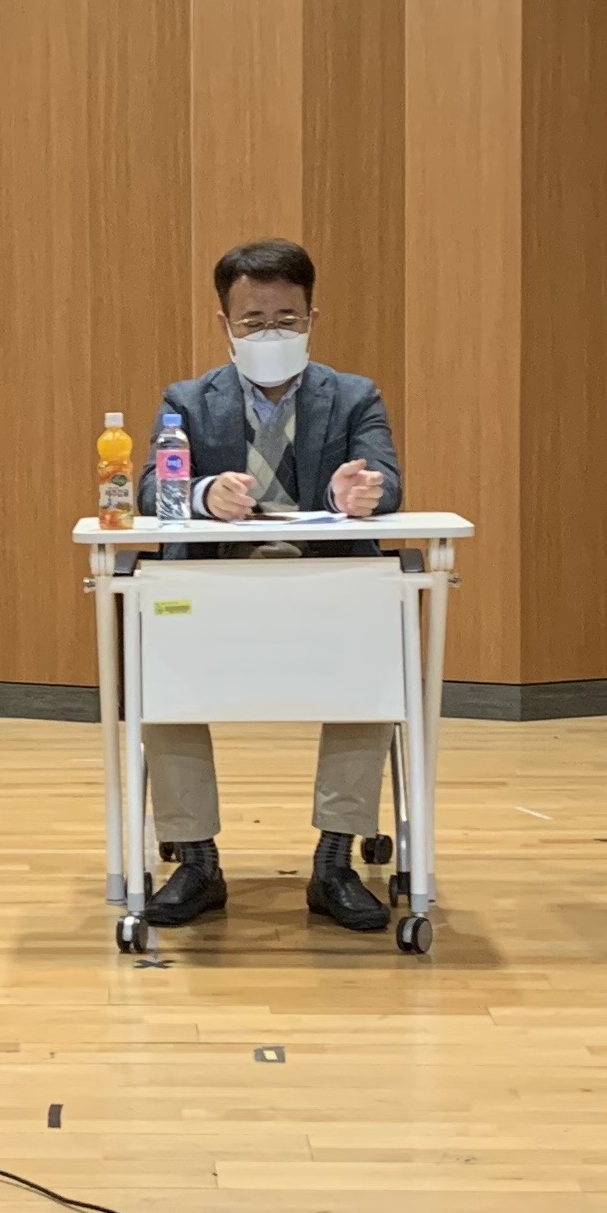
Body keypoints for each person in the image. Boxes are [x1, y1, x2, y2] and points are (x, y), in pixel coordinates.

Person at [138, 237, 401, 935]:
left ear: (312, 318)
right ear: (225, 325)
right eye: (253, 321)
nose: (270, 333)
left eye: (286, 319)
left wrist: (364, 491)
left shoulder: (354, 396)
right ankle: (196, 861)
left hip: (327, 588)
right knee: (158, 664)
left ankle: (335, 860)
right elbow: (149, 488)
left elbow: (387, 478)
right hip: (217, 589)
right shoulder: (188, 401)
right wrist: (200, 493)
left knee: (375, 665)